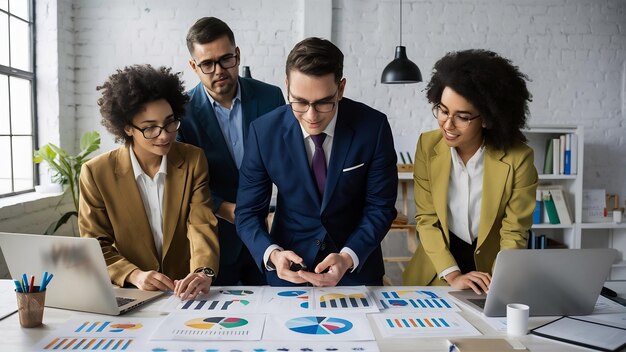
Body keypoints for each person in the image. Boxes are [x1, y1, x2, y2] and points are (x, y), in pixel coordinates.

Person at [235, 37, 398, 287]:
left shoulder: (373, 128)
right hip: (288, 271)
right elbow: (247, 213)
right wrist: (272, 253)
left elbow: (380, 207)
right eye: (299, 102)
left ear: (341, 89)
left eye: (323, 102)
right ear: (287, 86)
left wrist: (348, 256)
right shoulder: (262, 132)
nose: (311, 116)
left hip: (355, 270)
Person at [79, 64, 220, 300]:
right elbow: (95, 244)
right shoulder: (96, 173)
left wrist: (203, 271)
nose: (164, 135)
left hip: (184, 292)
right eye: (150, 128)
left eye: (169, 122)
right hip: (131, 293)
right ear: (127, 128)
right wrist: (133, 274)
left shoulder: (193, 160)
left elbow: (201, 224)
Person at [402, 49, 538, 293]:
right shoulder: (427, 145)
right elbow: (426, 219)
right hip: (437, 272)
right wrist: (453, 275)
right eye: (443, 110)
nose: (447, 124)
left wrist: (498, 281)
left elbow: (514, 232)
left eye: (462, 117)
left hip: (491, 277)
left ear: (487, 118)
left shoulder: (519, 159)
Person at [177, 17, 285, 286]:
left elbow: (287, 163)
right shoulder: (182, 114)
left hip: (269, 235)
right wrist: (224, 209)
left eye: (226, 59)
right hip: (214, 240)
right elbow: (184, 182)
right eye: (207, 64)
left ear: (237, 55)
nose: (218, 70)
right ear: (194, 66)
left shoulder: (271, 98)